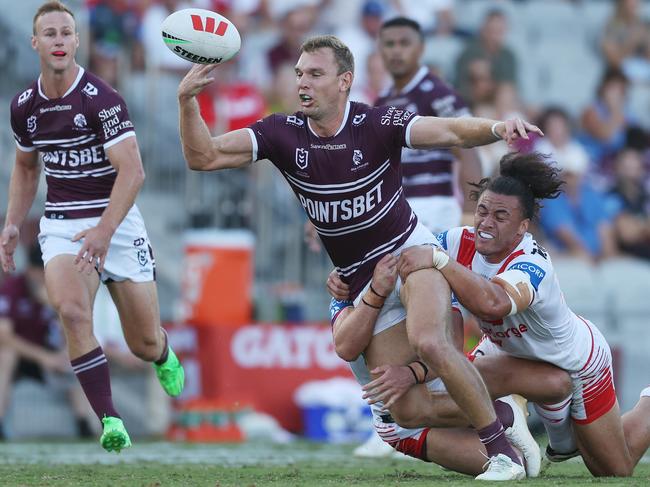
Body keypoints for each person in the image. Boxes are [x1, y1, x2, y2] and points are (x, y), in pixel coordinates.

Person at [177, 34, 542, 480]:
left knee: (430, 340)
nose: (302, 83)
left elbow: (446, 130)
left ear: (344, 81)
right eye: (298, 74)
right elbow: (203, 156)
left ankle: (498, 451)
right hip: (364, 283)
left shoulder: (376, 124)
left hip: (412, 254)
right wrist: (187, 103)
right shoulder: (280, 133)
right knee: (404, 413)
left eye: (314, 73)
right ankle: (503, 416)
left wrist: (497, 128)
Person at [392, 152, 650, 477]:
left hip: (577, 364)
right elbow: (401, 252)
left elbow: (495, 303)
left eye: (501, 216)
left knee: (613, 469)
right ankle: (504, 418)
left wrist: (441, 263)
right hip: (507, 349)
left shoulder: (531, 260)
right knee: (450, 385)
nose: (486, 222)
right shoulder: (457, 241)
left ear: (522, 227)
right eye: (482, 211)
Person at [0, 1, 185, 453]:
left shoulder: (102, 99)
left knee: (140, 342)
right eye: (50, 34)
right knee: (73, 311)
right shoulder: (24, 106)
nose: (59, 41)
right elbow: (26, 170)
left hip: (116, 223)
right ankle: (109, 418)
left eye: (67, 32)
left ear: (77, 41)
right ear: (36, 43)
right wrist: (11, 224)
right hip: (62, 224)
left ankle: (162, 351)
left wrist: (104, 231)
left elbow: (134, 172)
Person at [354, 16, 482, 459]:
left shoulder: (438, 94)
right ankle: (395, 414)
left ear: (420, 47)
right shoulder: (386, 98)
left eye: (403, 43)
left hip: (435, 211)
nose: (395, 51)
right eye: (387, 43)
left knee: (434, 317)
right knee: (385, 312)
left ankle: (462, 404)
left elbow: (465, 145)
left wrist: (470, 209)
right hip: (394, 213)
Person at [328, 254, 571, 477]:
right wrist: (376, 292)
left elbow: (451, 349)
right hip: (404, 423)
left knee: (556, 383)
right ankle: (500, 415)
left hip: (444, 380)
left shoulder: (423, 274)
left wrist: (411, 373)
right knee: (520, 464)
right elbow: (346, 348)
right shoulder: (346, 288)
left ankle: (500, 415)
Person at [0, 244, 93, 440]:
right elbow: (4, 337)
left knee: (75, 354)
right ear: (30, 270)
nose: (43, 278)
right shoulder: (12, 288)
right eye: (40, 273)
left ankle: (83, 423)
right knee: (6, 356)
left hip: (48, 356)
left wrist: (54, 307)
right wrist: (43, 357)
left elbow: (70, 332)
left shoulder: (57, 290)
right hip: (22, 355)